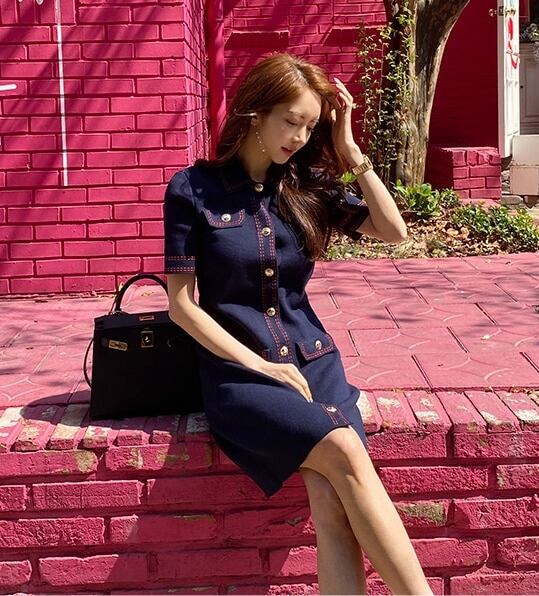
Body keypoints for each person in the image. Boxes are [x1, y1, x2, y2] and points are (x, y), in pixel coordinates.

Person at [163, 52, 432, 595]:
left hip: (314, 361)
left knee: (331, 501)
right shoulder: (193, 189)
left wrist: (351, 152)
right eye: (291, 121)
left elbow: (394, 231)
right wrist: (261, 366)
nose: (301, 137)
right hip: (241, 373)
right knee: (346, 451)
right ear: (255, 114)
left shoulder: (306, 187)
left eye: (311, 126)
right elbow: (182, 306)